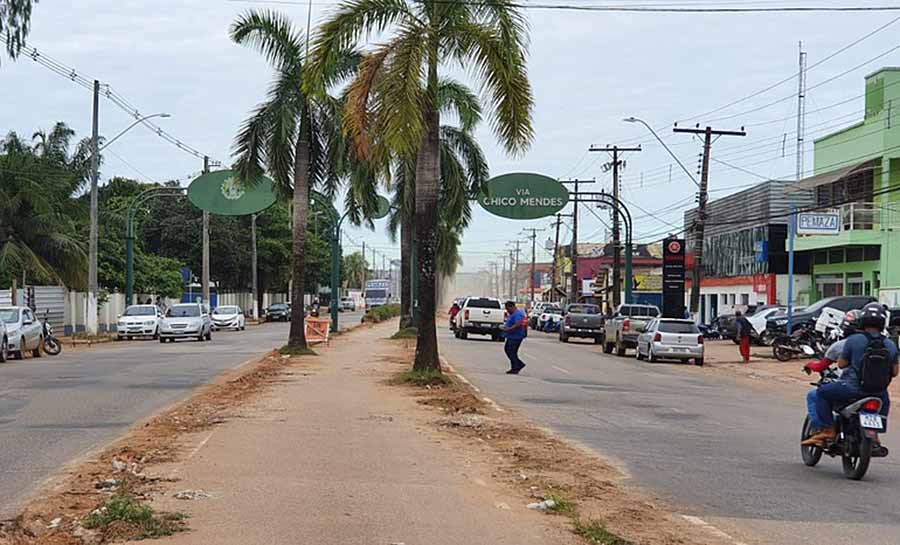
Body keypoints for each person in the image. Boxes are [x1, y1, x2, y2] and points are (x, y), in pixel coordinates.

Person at [803, 303, 899, 447]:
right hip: (878, 392)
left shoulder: (853, 341)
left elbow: (841, 364)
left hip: (851, 388)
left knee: (821, 393)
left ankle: (828, 430)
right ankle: (875, 435)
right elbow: (895, 372)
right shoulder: (890, 344)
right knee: (884, 399)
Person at [502, 300, 527, 375]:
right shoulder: (513, 314)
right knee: (508, 350)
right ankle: (516, 365)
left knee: (511, 351)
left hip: (516, 336)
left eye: (508, 309)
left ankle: (517, 366)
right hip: (511, 336)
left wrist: (509, 329)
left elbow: (518, 324)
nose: (507, 311)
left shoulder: (518, 314)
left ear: (512, 307)